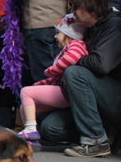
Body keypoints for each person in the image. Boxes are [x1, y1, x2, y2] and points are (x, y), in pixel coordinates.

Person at [62, 0, 121, 158]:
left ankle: (95, 141)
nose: (72, 11)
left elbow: (101, 65)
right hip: (107, 92)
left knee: (74, 73)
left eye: (75, 6)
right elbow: (61, 25)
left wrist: (74, 59)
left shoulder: (115, 24)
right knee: (50, 128)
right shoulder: (91, 25)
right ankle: (111, 130)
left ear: (91, 8)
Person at [18, 14, 87, 150]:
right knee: (25, 107)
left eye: (58, 33)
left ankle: (31, 130)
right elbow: (57, 76)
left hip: (65, 92)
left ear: (69, 34)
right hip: (61, 89)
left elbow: (71, 59)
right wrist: (42, 83)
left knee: (25, 92)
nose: (55, 37)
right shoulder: (68, 48)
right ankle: (32, 136)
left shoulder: (76, 45)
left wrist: (51, 70)